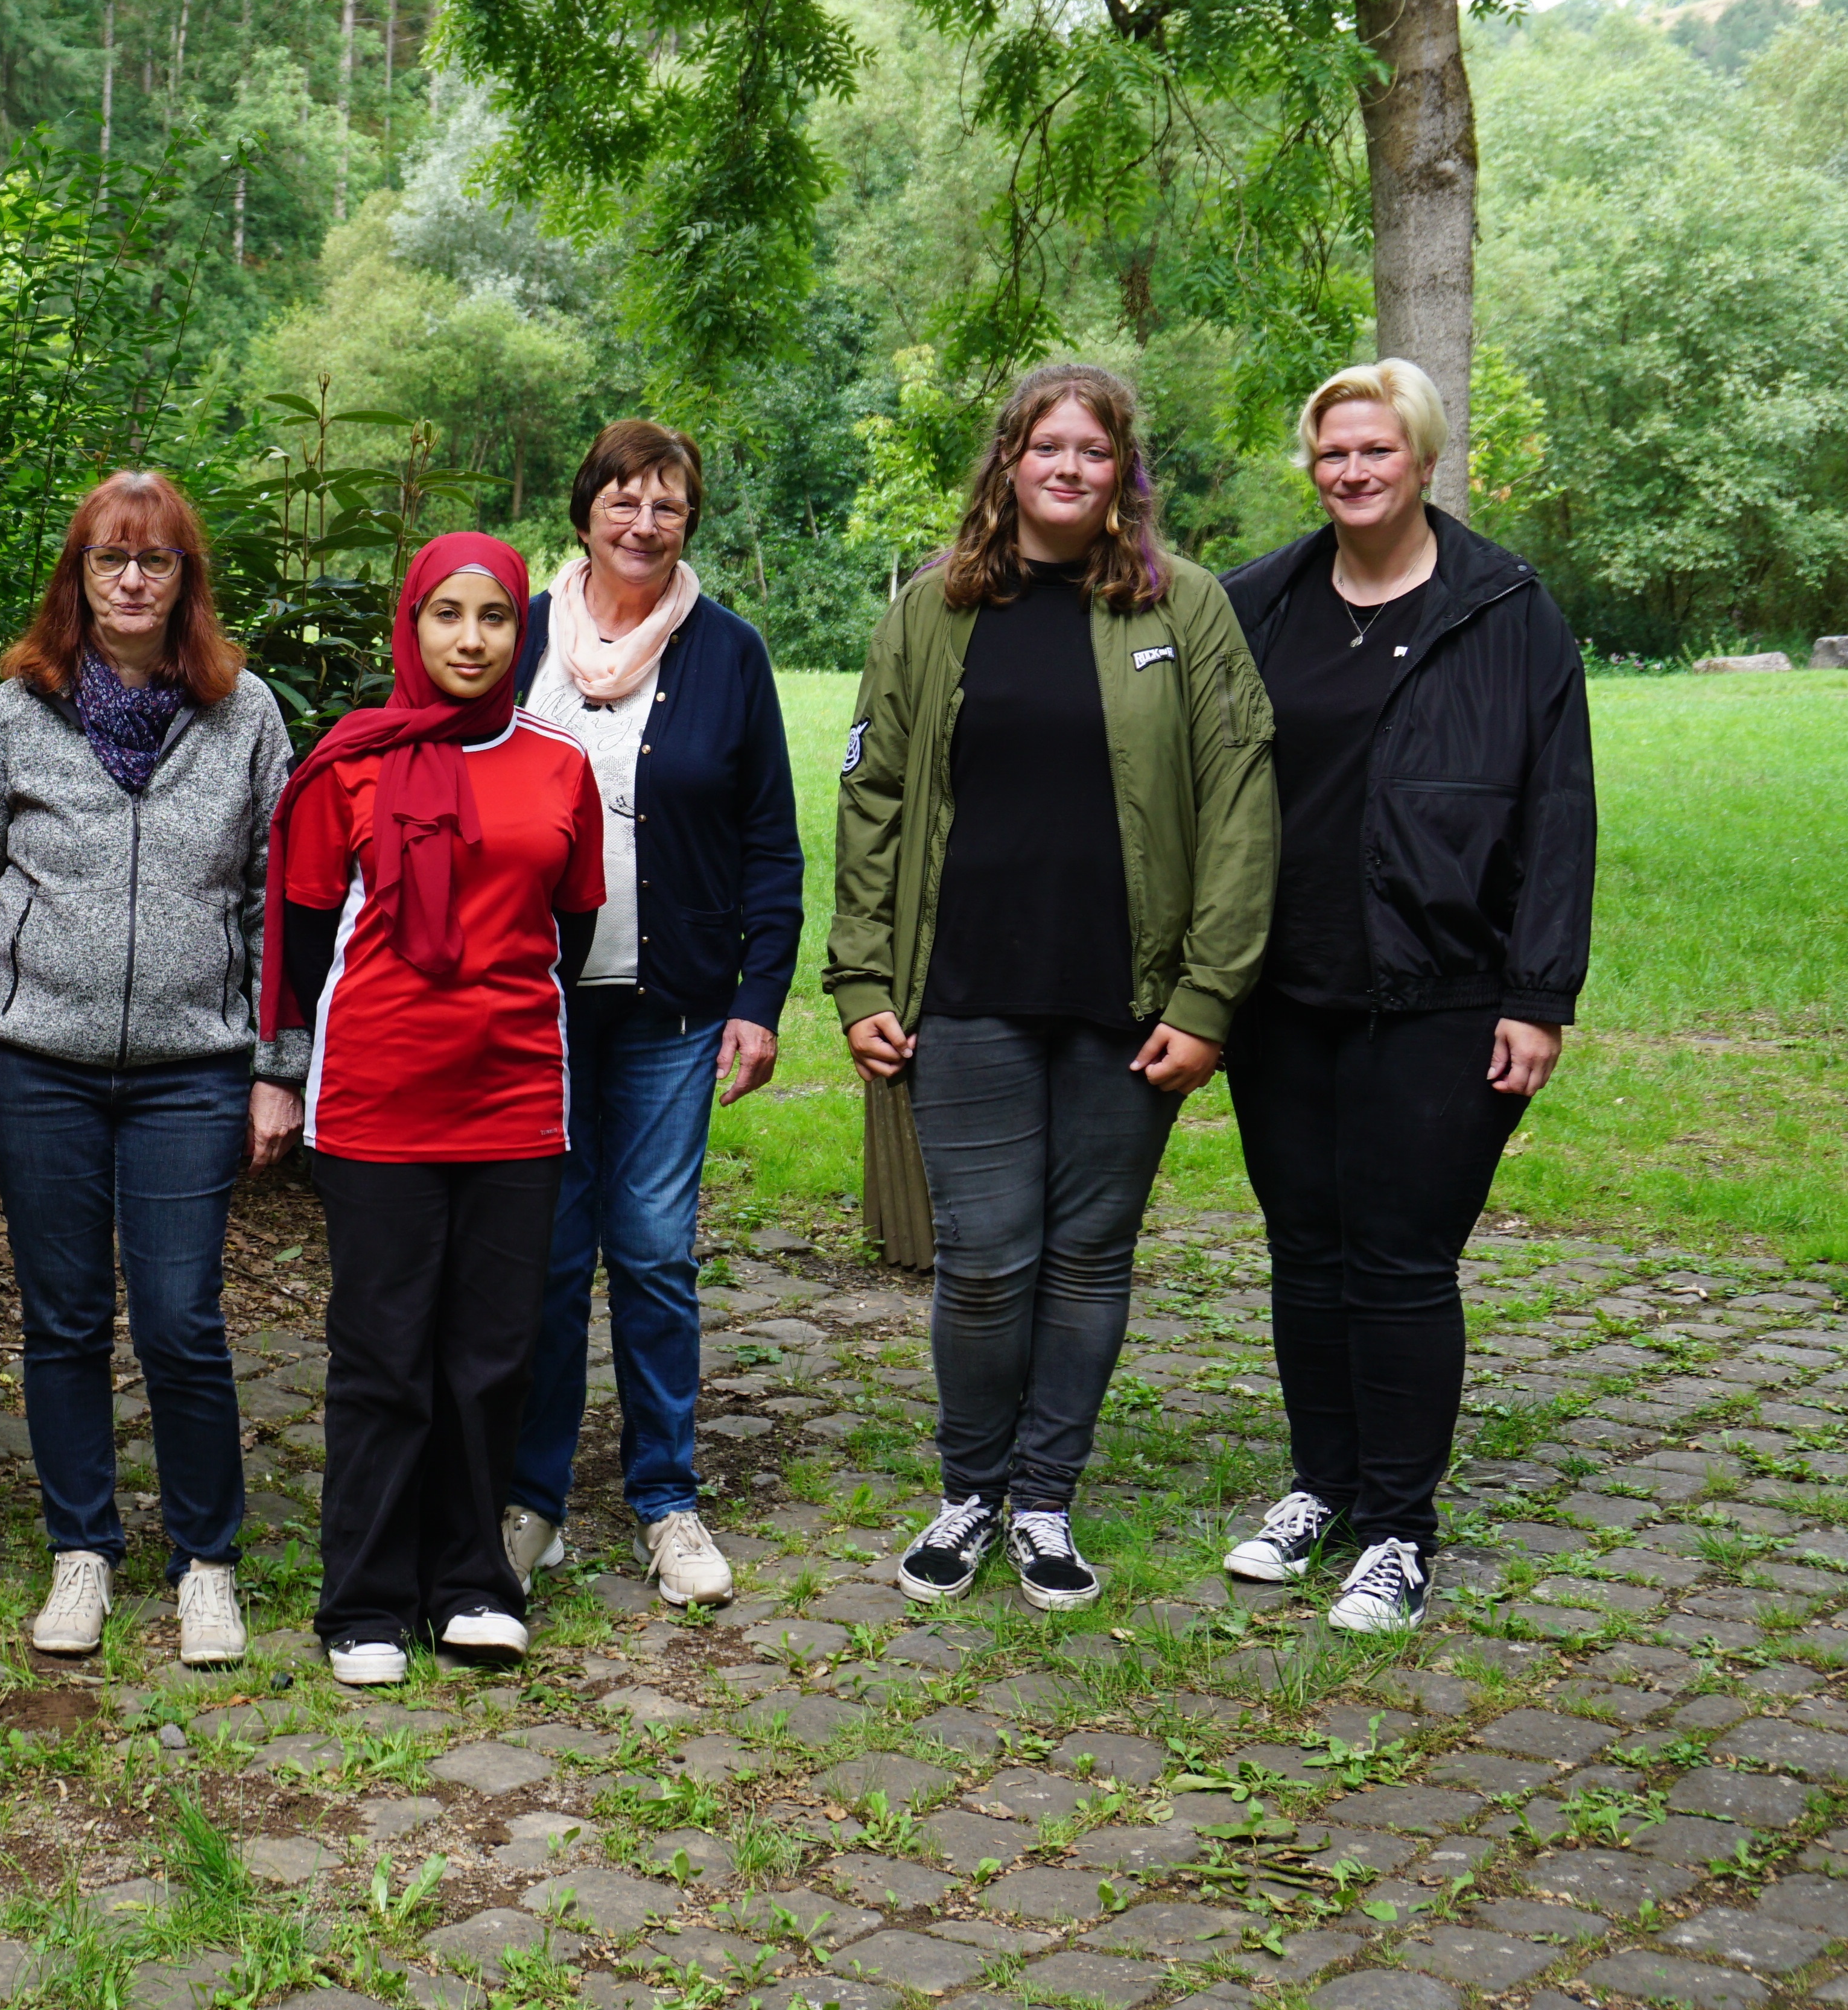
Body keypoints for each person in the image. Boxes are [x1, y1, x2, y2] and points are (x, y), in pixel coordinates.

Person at [827, 363, 1277, 1615]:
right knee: (982, 1257)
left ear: (1123, 472)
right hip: (964, 985)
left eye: (1094, 449)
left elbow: (1244, 803)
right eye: (1046, 446)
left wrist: (1207, 998)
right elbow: (875, 798)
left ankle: (1045, 1502)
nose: (1068, 467)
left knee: (1087, 1257)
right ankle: (969, 1490)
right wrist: (862, 970)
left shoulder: (1185, 608)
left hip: (1126, 997)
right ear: (1008, 464)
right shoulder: (934, 608)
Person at [1215, 361, 1594, 1635]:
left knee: (1400, 1258)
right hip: (1282, 988)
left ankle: (1398, 1528)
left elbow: (1558, 810)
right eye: (1333, 453)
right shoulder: (1259, 601)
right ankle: (1321, 1485)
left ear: (1422, 461)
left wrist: (1538, 994)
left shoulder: (1506, 609)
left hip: (1441, 989)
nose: (1354, 471)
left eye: (1378, 450)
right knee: (1305, 1253)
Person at [0, 471, 299, 1669]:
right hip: (33, 1060)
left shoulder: (245, 713)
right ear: (80, 577)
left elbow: (275, 904)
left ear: (186, 579)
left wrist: (274, 1068)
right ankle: (81, 1549)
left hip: (190, 1069)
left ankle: (207, 1562)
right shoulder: (17, 710)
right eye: (112, 560)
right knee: (61, 1321)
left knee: (180, 1318)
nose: (135, 580)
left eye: (156, 561)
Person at [265, 533, 605, 1686]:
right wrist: (279, 1075)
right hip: (377, 1101)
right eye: (447, 616)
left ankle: (468, 1584)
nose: (471, 639)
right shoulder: (348, 766)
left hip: (514, 1097)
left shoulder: (560, 767)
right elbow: (304, 942)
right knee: (383, 1357)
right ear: (411, 628)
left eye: (496, 618)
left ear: (524, 631)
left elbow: (567, 930)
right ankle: (363, 1599)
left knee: (492, 1355)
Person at [501, 421, 804, 1612]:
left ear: (690, 520)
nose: (643, 521)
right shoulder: (518, 632)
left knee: (653, 1253)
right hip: (532, 1002)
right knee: (545, 1255)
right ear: (584, 511)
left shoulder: (727, 651)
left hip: (672, 1008)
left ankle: (667, 1500)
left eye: (668, 503)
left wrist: (761, 998)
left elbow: (771, 839)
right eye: (623, 499)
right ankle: (529, 1501)